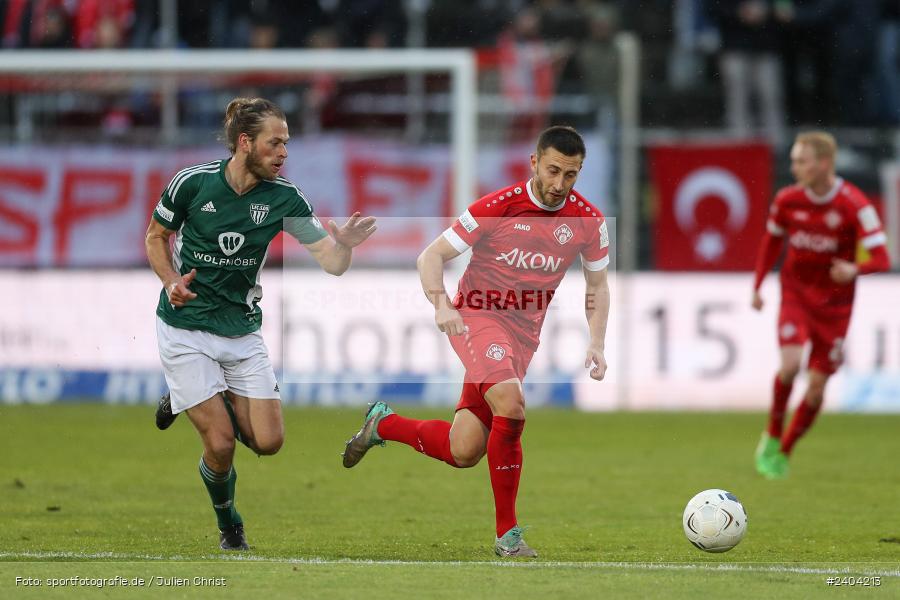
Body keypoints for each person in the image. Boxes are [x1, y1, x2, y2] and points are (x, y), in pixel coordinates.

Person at [341, 126, 611, 557]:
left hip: (523, 336)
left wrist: (596, 341)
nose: (560, 183)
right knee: (512, 404)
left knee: (464, 450)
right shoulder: (497, 207)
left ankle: (382, 424)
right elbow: (430, 255)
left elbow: (597, 285)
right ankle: (508, 536)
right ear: (534, 162)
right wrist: (441, 304)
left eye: (571, 174)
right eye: (553, 170)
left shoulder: (588, 222)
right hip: (477, 317)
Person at [145, 97, 376, 550]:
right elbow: (156, 236)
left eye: (286, 143)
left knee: (269, 442)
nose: (284, 152)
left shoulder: (285, 198)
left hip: (242, 330)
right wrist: (171, 280)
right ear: (245, 142)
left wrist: (345, 245)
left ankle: (188, 395)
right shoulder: (192, 183)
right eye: (275, 143)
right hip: (185, 326)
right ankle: (229, 524)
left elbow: (332, 262)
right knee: (221, 444)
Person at [751, 131, 889, 479]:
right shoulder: (787, 199)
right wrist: (758, 284)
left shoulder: (855, 204)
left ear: (824, 163)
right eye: (794, 160)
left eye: (802, 161)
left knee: (815, 391)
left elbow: (882, 257)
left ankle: (785, 450)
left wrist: (855, 269)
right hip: (796, 295)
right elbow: (771, 241)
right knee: (790, 366)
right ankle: (772, 432)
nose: (794, 167)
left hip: (835, 308)